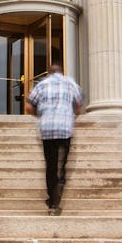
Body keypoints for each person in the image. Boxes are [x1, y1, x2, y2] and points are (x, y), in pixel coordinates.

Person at [25, 61, 83, 214]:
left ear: (49, 73)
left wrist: (42, 114)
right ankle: (61, 179)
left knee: (50, 165)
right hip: (64, 129)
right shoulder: (70, 83)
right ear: (61, 72)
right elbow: (78, 107)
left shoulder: (41, 85)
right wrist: (70, 113)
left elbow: (29, 107)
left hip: (47, 129)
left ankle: (52, 203)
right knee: (62, 162)